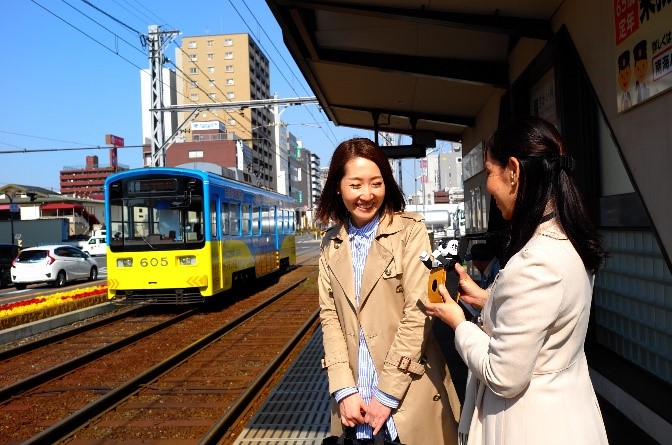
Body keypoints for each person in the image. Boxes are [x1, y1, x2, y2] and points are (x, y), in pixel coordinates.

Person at [423, 117, 609, 445]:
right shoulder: (568, 240)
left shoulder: (534, 263)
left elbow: (503, 375)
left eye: (489, 173)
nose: (487, 186)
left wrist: (458, 324)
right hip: (568, 414)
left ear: (513, 170)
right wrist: (485, 298)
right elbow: (542, 314)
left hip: (531, 427)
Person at [316, 137, 461, 445]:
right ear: (338, 187)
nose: (367, 195)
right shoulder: (330, 243)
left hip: (405, 400)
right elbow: (330, 318)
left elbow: (420, 312)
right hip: (353, 407)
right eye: (355, 185)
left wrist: (387, 393)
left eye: (376, 183)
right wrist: (343, 389)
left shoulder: (411, 230)